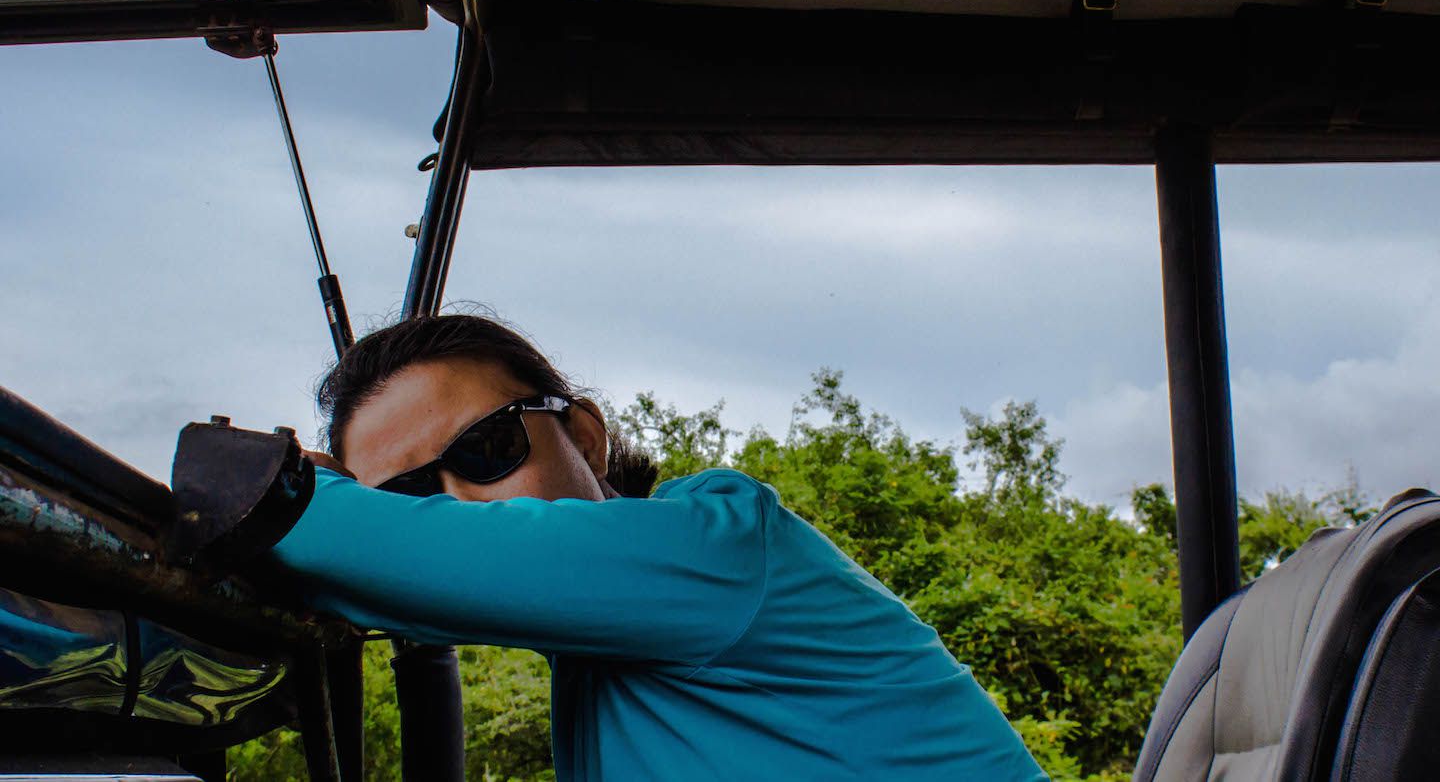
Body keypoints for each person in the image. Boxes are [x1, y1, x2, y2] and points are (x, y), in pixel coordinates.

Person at [270, 313, 1045, 781]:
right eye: (409, 501)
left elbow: (321, 525)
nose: (462, 506)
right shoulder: (601, 665)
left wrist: (289, 490)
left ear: (584, 436)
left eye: (487, 449)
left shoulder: (719, 542)